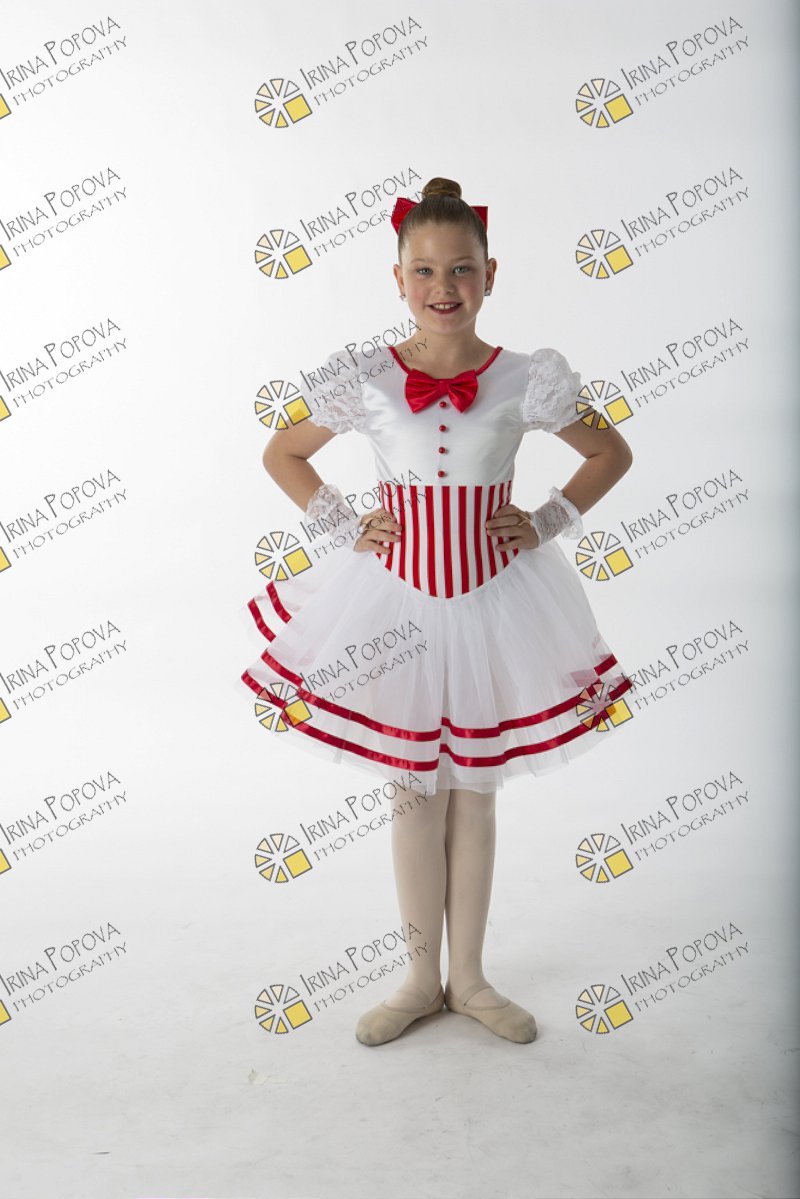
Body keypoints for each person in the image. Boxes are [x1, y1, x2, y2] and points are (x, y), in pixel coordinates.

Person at [241, 176, 635, 1047]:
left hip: (495, 602)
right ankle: (420, 978)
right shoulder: (369, 377)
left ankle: (472, 979)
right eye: (424, 270)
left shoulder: (527, 378)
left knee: (475, 794)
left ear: (491, 275)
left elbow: (611, 452)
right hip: (395, 603)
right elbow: (284, 452)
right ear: (398, 279)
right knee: (413, 793)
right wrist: (343, 522)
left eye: (461, 268)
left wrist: (547, 521)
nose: (443, 286)